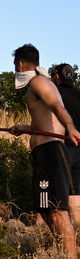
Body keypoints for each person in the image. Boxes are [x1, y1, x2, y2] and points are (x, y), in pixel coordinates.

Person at [10, 44, 80, 259]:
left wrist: (70, 128)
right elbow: (44, 119)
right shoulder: (35, 85)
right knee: (47, 212)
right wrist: (25, 128)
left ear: (20, 64)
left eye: (15, 66)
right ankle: (64, 255)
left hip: (52, 153)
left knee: (59, 212)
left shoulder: (40, 82)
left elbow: (57, 105)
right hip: (43, 154)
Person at [51, 63, 80, 225]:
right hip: (79, 149)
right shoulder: (79, 93)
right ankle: (78, 232)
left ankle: (43, 234)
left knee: (51, 193)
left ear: (57, 76)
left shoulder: (54, 94)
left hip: (61, 148)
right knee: (75, 193)